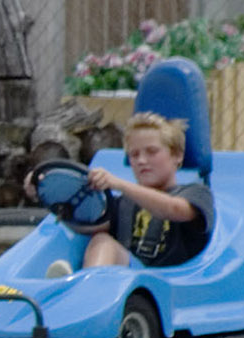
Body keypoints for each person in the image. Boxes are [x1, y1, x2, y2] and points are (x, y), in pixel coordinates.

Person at [54, 112, 214, 275]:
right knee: (100, 239)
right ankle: (73, 284)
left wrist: (118, 184)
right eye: (134, 155)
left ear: (177, 155)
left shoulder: (196, 193)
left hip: (171, 283)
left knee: (105, 243)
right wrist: (49, 191)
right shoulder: (123, 203)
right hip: (129, 281)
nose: (141, 161)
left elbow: (174, 209)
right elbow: (87, 225)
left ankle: (85, 290)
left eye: (152, 152)